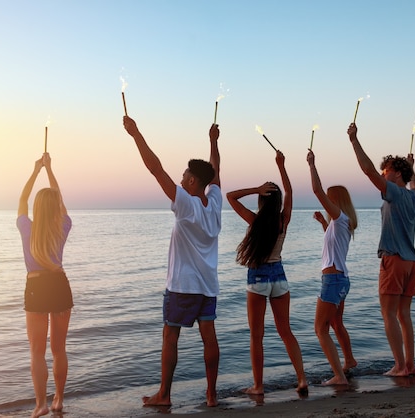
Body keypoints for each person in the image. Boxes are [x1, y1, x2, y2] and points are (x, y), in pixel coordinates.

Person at [123, 115, 221, 407]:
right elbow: (216, 171)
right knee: (209, 336)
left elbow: (156, 169)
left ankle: (164, 395)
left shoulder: (187, 203)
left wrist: (136, 134)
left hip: (182, 284)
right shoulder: (214, 202)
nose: (179, 179)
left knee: (170, 337)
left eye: (183, 176)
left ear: (191, 181)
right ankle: (212, 395)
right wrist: (214, 142)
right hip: (208, 284)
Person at [226, 150, 308, 396]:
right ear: (279, 202)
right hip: (280, 278)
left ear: (262, 201)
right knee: (286, 332)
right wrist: (282, 166)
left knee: (256, 336)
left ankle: (258, 386)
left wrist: (256, 189)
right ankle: (302, 379)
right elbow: (291, 193)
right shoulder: (284, 220)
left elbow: (230, 196)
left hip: (258, 279)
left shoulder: (254, 220)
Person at [346, 122, 415, 377]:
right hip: (412, 263)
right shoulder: (413, 196)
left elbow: (368, 171)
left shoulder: (397, 193)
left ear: (397, 174)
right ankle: (409, 365)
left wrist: (354, 141)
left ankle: (399, 366)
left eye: (387, 170)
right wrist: (412, 168)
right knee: (404, 314)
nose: (383, 173)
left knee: (388, 313)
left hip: (395, 259)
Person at [17, 152, 73, 418]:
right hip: (59, 285)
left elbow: (21, 200)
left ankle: (40, 404)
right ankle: (58, 400)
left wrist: (36, 171)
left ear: (37, 209)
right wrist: (50, 170)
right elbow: (59, 200)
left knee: (36, 352)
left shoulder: (26, 227)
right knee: (58, 349)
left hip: (36, 288)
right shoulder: (63, 225)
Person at [307, 149, 358, 386]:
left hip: (333, 280)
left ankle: (338, 376)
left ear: (335, 200)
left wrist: (312, 165)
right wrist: (322, 223)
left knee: (320, 329)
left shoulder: (340, 220)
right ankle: (349, 361)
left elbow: (316, 190)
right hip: (341, 279)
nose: (325, 201)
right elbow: (333, 243)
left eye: (329, 199)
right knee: (336, 323)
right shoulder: (339, 223)